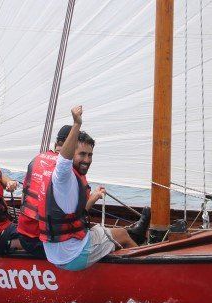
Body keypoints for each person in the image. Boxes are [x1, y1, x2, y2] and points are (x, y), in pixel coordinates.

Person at [36, 106, 149, 271]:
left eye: (90, 155)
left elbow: (75, 212)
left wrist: (94, 197)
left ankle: (130, 256)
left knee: (104, 231)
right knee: (123, 236)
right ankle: (145, 272)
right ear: (71, 153)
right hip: (72, 255)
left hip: (59, 252)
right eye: (82, 154)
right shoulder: (63, 178)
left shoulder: (72, 177)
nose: (87, 160)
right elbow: (63, 162)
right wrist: (76, 124)